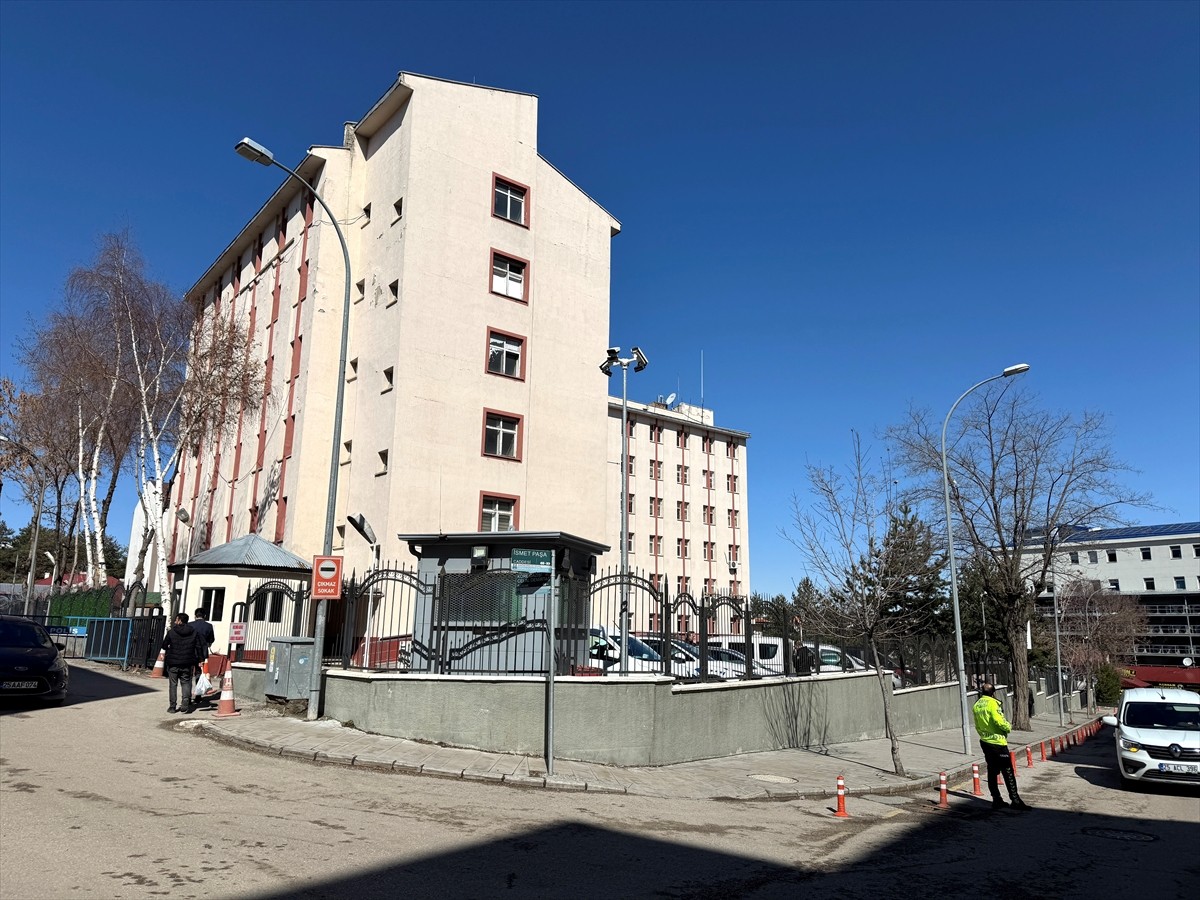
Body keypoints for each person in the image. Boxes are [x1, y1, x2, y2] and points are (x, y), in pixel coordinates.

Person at [973, 682, 1032, 811]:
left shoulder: (977, 705)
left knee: (992, 771)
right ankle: (1015, 800)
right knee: (1008, 771)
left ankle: (996, 799)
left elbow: (977, 724)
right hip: (998, 743)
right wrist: (1007, 727)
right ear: (993, 692)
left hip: (985, 741)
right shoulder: (993, 703)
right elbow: (998, 720)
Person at [161, 613, 204, 714]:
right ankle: (185, 702)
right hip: (187, 662)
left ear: (179, 620)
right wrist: (201, 659)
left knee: (173, 684)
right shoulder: (194, 632)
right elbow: (198, 646)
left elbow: (164, 645)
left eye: (176, 619)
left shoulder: (172, 632)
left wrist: (169, 649)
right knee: (186, 682)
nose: (175, 621)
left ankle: (172, 707)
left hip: (173, 662)